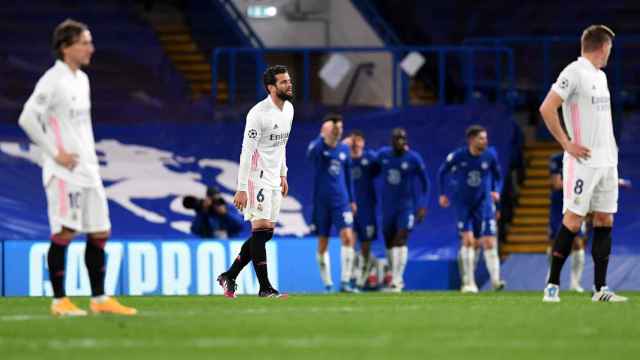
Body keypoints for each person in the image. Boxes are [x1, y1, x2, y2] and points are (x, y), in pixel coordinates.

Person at [18, 19, 136, 316]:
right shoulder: (52, 80)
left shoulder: (81, 79)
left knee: (100, 231)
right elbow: (27, 118)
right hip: (64, 172)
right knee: (66, 230)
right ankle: (60, 301)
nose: (91, 48)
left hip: (88, 170)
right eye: (85, 42)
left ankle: (100, 299)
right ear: (66, 47)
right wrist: (54, 153)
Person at [539, 25, 627, 302]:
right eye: (609, 48)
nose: (610, 53)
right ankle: (552, 285)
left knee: (605, 218)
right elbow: (546, 107)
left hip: (607, 162)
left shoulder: (600, 77)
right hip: (583, 162)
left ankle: (600, 289)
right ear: (602, 47)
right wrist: (567, 143)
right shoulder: (573, 72)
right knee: (574, 221)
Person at [216, 65, 293, 299]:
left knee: (266, 233)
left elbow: (282, 145)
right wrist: (241, 188)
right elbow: (246, 152)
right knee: (260, 231)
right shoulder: (258, 114)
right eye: (283, 82)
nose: (289, 84)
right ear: (271, 88)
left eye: (289, 81)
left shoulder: (288, 109)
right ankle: (265, 288)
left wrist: (283, 173)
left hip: (273, 178)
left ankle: (229, 275)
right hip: (256, 177)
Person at [437, 125, 504, 293]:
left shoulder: (490, 155)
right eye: (481, 138)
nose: (485, 141)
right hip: (463, 204)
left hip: (484, 204)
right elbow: (441, 172)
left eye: (485, 138)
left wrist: (497, 190)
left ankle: (496, 281)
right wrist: (442, 194)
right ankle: (469, 283)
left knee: (489, 241)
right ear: (472, 140)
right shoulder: (458, 156)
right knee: (468, 241)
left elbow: (498, 175)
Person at [307, 114, 358, 293]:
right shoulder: (319, 148)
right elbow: (310, 154)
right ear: (326, 130)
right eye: (333, 128)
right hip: (322, 203)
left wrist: (352, 200)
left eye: (340, 128)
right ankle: (328, 283)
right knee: (323, 243)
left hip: (341, 202)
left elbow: (348, 177)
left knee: (348, 237)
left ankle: (345, 282)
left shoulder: (344, 150)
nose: (337, 131)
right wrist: (322, 136)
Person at [378, 128, 429, 292]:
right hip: (387, 207)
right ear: (392, 141)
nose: (401, 141)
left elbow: (426, 183)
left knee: (401, 238)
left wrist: (422, 205)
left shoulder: (414, 158)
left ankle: (398, 279)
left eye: (403, 139)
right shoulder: (383, 155)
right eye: (397, 139)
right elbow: (369, 166)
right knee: (389, 242)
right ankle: (394, 274)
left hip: (406, 206)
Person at [344, 130, 381, 290]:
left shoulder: (370, 159)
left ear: (363, 143)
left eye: (358, 141)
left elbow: (382, 164)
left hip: (367, 208)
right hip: (349, 207)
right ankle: (349, 275)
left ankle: (362, 276)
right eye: (353, 141)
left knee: (366, 244)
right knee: (349, 241)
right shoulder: (344, 160)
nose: (355, 144)